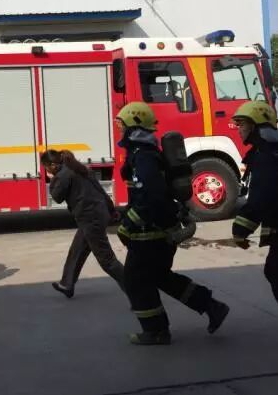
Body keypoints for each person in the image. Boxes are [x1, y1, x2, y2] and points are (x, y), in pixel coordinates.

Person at [116, 101, 229, 345]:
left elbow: (152, 197)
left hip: (150, 234)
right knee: (160, 277)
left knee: (136, 282)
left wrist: (129, 223)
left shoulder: (143, 157)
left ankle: (156, 331)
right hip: (161, 231)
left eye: (121, 125)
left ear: (133, 126)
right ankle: (211, 306)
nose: (119, 129)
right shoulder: (147, 153)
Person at [41, 149, 124, 298]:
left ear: (52, 165)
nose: (46, 170)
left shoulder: (63, 175)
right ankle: (67, 284)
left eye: (46, 167)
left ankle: (137, 289)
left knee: (107, 261)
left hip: (90, 219)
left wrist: (52, 179)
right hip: (97, 214)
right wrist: (111, 210)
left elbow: (57, 197)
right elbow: (100, 190)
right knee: (77, 249)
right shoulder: (80, 168)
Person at [231, 100, 278, 301]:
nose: (238, 129)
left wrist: (240, 230)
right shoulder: (268, 150)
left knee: (275, 272)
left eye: (242, 124)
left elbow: (261, 198)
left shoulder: (266, 156)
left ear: (255, 125)